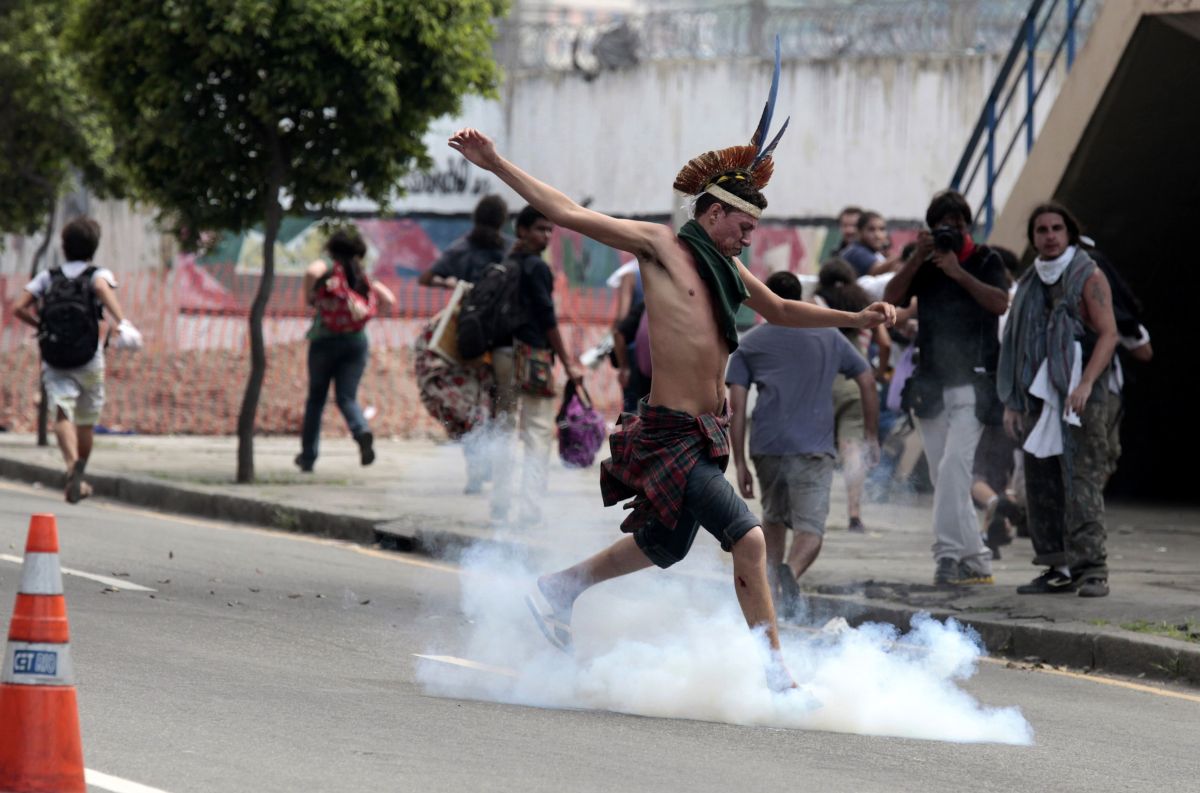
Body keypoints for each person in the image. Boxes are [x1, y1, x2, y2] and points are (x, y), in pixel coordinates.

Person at [449, 79, 895, 689]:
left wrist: (855, 317)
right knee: (752, 540)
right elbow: (569, 214)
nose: (749, 237)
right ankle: (776, 675)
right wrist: (496, 163)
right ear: (712, 212)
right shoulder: (659, 246)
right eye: (743, 224)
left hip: (703, 433)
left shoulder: (730, 268)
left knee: (662, 548)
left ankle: (557, 590)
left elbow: (785, 311)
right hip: (672, 435)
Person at [727, 271, 878, 617]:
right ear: (800, 299)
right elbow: (867, 380)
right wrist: (870, 436)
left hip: (766, 447)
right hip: (814, 448)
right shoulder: (830, 336)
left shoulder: (749, 343)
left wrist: (739, 463)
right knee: (811, 529)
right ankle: (790, 573)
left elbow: (735, 405)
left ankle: (772, 603)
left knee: (774, 520)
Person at [883, 190, 1009, 586]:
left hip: (973, 380)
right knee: (944, 478)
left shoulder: (986, 259)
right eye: (942, 227)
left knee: (955, 468)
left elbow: (1000, 303)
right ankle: (978, 560)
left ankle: (947, 557)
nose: (949, 234)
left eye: (956, 226)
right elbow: (891, 299)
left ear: (967, 226)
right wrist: (918, 257)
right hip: (931, 383)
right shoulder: (925, 260)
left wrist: (958, 272)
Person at [998, 202, 1118, 598]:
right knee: (1041, 483)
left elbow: (1108, 334)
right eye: (1041, 230)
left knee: (1081, 482)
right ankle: (1056, 567)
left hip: (1082, 395)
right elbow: (1016, 344)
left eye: (1056, 229)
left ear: (1068, 233)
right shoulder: (1030, 281)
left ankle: (1092, 569)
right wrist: (1013, 401)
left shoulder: (1087, 274)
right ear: (1033, 239)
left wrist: (1083, 384)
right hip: (1037, 395)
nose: (1049, 236)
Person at [11, 216, 143, 503]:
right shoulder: (98, 274)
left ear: (64, 245)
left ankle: (72, 466)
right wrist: (122, 321)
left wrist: (40, 327)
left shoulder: (49, 276)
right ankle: (79, 471)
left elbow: (19, 307)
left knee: (62, 414)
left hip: (55, 357)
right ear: (94, 247)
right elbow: (101, 289)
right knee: (85, 421)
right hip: (89, 359)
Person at [488, 205, 584, 527]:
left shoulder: (507, 263)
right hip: (532, 358)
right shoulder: (536, 268)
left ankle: (499, 504)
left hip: (501, 355)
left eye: (549, 230)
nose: (545, 235)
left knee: (503, 430)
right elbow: (547, 319)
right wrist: (568, 362)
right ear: (522, 231)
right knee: (537, 433)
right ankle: (529, 510)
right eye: (540, 229)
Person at [295, 229, 396, 472]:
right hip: (356, 342)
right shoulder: (360, 275)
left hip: (323, 341)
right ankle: (361, 430)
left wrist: (311, 297)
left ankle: (308, 458)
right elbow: (389, 301)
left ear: (331, 249)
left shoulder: (327, 267)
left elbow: (311, 272)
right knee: (346, 397)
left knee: (316, 401)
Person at [814, 259, 888, 533]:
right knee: (852, 448)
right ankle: (854, 513)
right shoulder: (863, 301)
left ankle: (813, 510)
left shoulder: (817, 301)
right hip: (858, 380)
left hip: (823, 382)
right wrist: (878, 372)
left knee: (817, 447)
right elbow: (885, 342)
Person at [419, 194, 509, 288]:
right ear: (502, 220)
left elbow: (426, 278)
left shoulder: (460, 249)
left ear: (476, 216)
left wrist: (445, 283)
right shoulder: (511, 250)